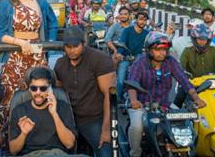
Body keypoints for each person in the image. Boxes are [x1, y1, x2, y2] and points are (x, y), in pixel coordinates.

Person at [126, 32, 206, 157]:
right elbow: (132, 84)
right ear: (149, 49)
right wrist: (134, 100)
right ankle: (135, 153)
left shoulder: (170, 62)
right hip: (142, 105)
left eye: (165, 49)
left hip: (164, 105)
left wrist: (196, 98)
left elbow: (184, 81)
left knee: (185, 123)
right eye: (158, 49)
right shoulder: (140, 62)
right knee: (137, 127)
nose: (162, 53)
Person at [0, 0, 58, 122]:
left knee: (40, 93)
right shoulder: (5, 3)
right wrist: (20, 43)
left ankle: (40, 134)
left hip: (37, 54)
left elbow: (53, 23)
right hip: (14, 55)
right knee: (11, 96)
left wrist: (49, 44)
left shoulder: (40, 1)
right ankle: (9, 137)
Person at [54, 27, 115, 157]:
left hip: (94, 118)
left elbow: (109, 96)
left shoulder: (100, 59)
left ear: (84, 43)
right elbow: (59, 93)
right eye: (68, 46)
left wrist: (106, 129)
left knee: (107, 152)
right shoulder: (60, 64)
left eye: (75, 46)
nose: (71, 50)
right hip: (70, 119)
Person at [9, 67, 81, 156]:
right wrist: (23, 134)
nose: (38, 92)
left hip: (57, 154)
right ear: (29, 88)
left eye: (43, 88)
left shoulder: (62, 107)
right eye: (34, 88)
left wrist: (54, 114)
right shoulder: (19, 110)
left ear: (50, 89)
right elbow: (13, 150)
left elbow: (69, 144)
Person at [175, 24, 215, 107]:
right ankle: (176, 116)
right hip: (193, 83)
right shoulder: (187, 51)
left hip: (212, 82)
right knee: (180, 97)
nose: (202, 42)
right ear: (194, 39)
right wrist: (185, 78)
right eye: (200, 39)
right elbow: (180, 68)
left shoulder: (213, 50)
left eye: (205, 39)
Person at [114, 10, 150, 98]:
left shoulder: (147, 33)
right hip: (125, 57)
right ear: (136, 19)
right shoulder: (127, 31)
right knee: (120, 80)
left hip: (138, 57)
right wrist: (119, 54)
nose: (143, 22)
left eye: (145, 20)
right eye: (141, 19)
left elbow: (152, 43)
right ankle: (117, 99)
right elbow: (121, 43)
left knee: (146, 78)